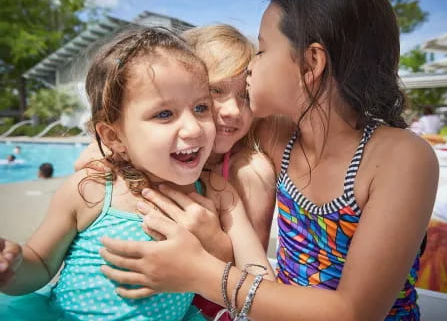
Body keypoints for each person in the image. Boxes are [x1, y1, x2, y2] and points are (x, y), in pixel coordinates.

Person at [91, 0, 438, 321]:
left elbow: (353, 313)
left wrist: (197, 272)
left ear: (311, 63)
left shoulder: (401, 157)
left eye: (262, 50)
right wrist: (116, 147)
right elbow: (192, 132)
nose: (251, 67)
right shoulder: (276, 137)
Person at [0, 27, 273, 321]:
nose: (194, 128)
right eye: (164, 114)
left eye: (200, 107)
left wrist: (214, 262)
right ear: (113, 137)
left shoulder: (219, 192)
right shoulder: (92, 188)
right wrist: (13, 267)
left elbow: (261, 279)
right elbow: (40, 264)